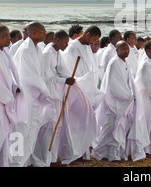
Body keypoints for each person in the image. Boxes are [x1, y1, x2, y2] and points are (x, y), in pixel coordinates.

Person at [57, 25, 104, 163]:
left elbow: (92, 68)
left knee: (86, 122)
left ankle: (84, 153)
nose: (95, 42)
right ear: (88, 35)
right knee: (74, 123)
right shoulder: (72, 47)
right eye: (94, 38)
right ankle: (72, 153)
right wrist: (82, 82)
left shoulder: (88, 48)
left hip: (88, 89)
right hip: (77, 89)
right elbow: (69, 71)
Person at [13, 21, 56, 167]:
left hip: (35, 96)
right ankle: (18, 162)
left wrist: (43, 91)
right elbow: (29, 75)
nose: (45, 34)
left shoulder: (37, 49)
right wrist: (45, 91)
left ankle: (27, 158)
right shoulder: (25, 50)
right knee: (24, 128)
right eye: (42, 31)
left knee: (33, 128)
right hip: (26, 96)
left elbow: (40, 74)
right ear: (33, 33)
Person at [92, 41, 144, 162]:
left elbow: (128, 81)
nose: (126, 51)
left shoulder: (124, 62)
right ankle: (101, 153)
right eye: (123, 49)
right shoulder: (114, 63)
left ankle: (113, 154)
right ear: (117, 50)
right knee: (110, 129)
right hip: (114, 102)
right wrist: (128, 96)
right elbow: (114, 85)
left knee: (119, 128)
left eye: (127, 49)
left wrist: (132, 94)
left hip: (123, 102)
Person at [42, 30, 75, 164]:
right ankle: (46, 158)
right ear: (57, 40)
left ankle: (53, 158)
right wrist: (64, 81)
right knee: (51, 126)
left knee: (58, 126)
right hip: (49, 95)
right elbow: (47, 77)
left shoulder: (57, 53)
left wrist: (71, 78)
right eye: (65, 42)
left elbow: (62, 69)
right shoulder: (47, 54)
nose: (67, 45)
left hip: (57, 93)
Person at [0, 25, 25, 167]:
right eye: (5, 35)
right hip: (3, 102)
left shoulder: (4, 53)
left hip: (6, 104)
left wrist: (15, 87)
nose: (9, 38)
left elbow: (9, 76)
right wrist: (7, 97)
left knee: (5, 141)